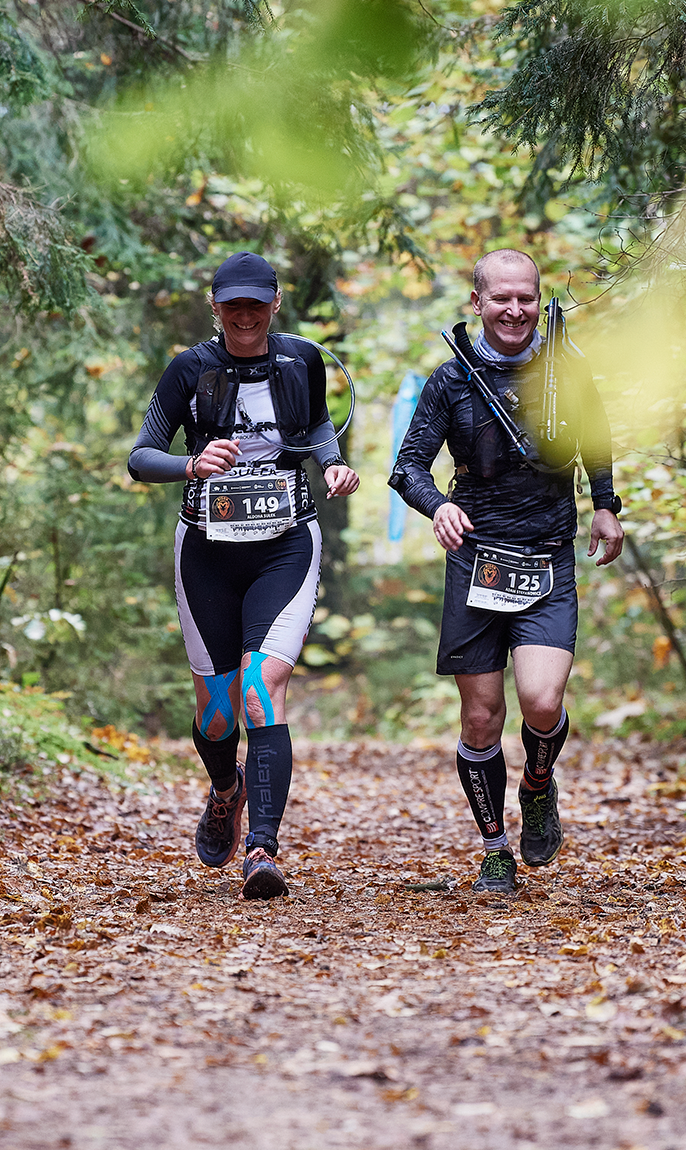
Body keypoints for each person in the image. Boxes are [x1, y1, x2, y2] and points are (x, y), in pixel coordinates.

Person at [388, 248, 622, 897]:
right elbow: (407, 467)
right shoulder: (450, 380)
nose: (514, 309)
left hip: (546, 553)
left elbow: (596, 438)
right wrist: (438, 508)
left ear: (538, 300)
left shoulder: (565, 370)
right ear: (478, 303)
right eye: (501, 298)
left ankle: (539, 785)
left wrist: (605, 505)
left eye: (526, 297)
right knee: (482, 719)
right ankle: (496, 848)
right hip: (476, 562)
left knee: (543, 702)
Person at [128, 251, 359, 899]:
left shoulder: (301, 360)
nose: (246, 315)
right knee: (217, 713)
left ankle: (262, 848)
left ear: (275, 303)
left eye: (256, 303)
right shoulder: (190, 369)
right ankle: (224, 789)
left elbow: (314, 423)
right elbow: (141, 455)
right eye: (234, 305)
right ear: (215, 306)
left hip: (285, 542)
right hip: (207, 548)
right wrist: (191, 463)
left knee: (262, 685)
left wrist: (332, 462)